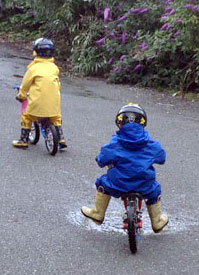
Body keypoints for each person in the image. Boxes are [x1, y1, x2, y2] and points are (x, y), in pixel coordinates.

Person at [81, 103, 169, 233]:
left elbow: (103, 158)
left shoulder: (116, 141)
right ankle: (157, 221)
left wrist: (100, 160)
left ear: (120, 122)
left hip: (118, 183)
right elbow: (161, 157)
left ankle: (97, 213)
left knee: (102, 183)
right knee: (154, 191)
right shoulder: (149, 142)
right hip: (144, 183)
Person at [12, 37, 67, 149]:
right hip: (53, 103)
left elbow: (25, 85)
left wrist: (21, 96)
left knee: (27, 117)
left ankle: (23, 140)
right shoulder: (54, 68)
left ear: (35, 52)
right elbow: (57, 84)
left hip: (37, 104)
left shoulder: (33, 68)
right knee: (56, 118)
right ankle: (61, 138)